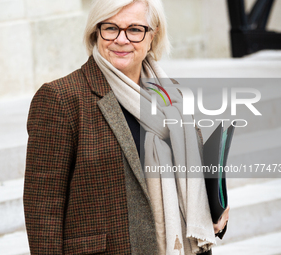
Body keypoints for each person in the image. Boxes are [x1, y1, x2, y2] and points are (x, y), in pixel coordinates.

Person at [23, 0, 229, 254]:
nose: (121, 39)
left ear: (152, 37)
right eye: (111, 28)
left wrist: (216, 207)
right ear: (95, 33)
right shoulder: (62, 98)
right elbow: (43, 207)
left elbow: (194, 171)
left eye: (134, 29)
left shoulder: (172, 95)